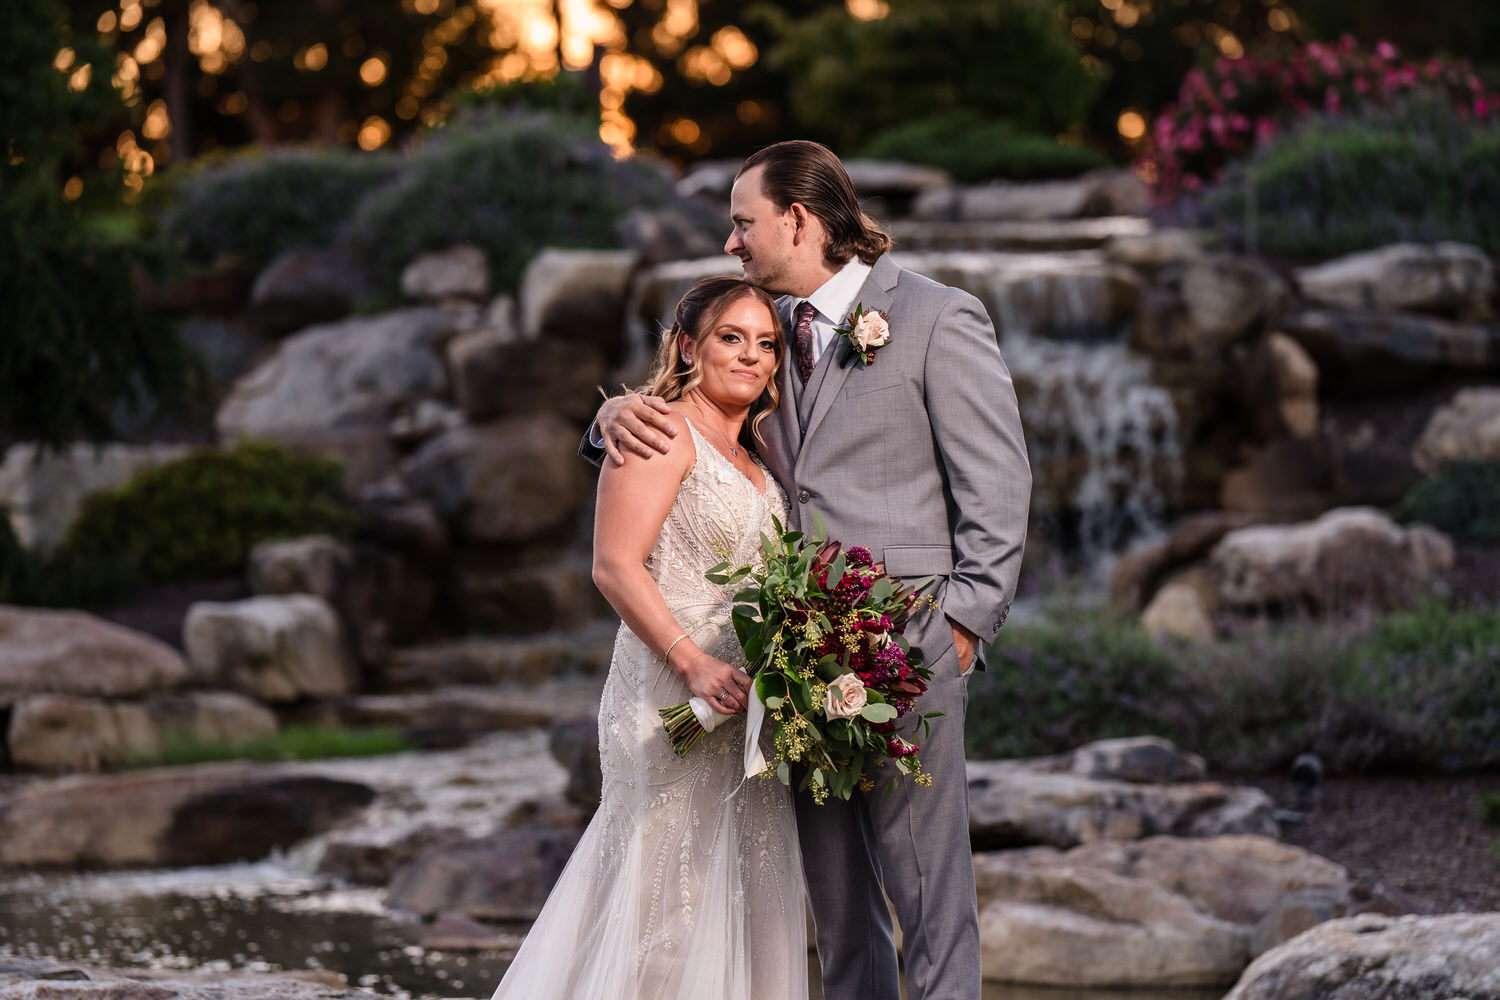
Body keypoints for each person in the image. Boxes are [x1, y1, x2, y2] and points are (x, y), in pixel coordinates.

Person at [588, 140, 1031, 1000]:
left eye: (742, 223)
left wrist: (963, 626)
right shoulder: (766, 332)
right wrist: (608, 418)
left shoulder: (937, 317)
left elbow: (999, 485)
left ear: (797, 220)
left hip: (908, 641)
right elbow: (698, 422)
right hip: (789, 659)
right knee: (837, 906)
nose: (731, 243)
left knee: (928, 892)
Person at [493, 276, 808, 1000]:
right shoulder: (656, 431)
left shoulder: (759, 454)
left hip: (748, 705)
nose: (752, 356)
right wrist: (693, 663)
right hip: (674, 692)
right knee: (663, 897)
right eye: (732, 338)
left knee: (745, 887)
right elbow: (614, 566)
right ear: (688, 347)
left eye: (766, 344)